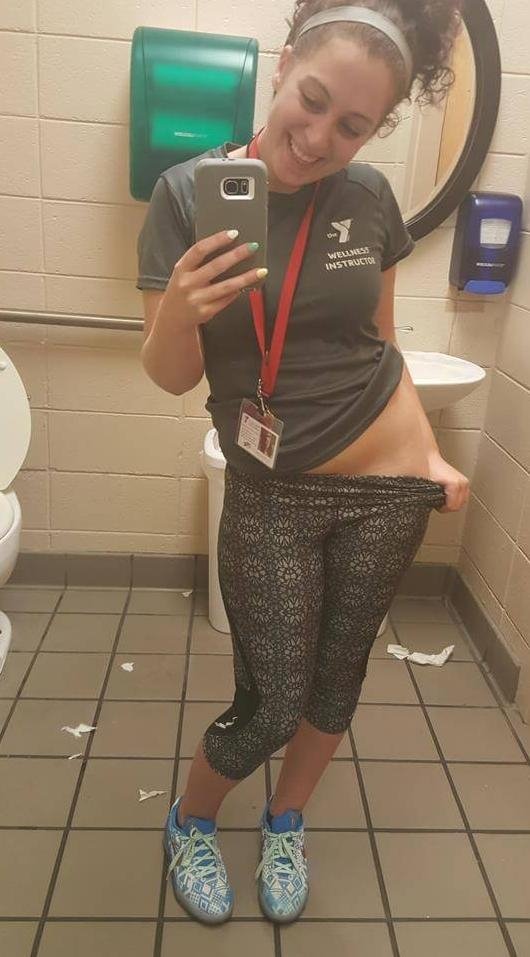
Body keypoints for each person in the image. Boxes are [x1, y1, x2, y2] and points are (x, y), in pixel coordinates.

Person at [137, 0, 468, 927]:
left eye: (352, 125)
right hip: (273, 494)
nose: (319, 139)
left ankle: (286, 819)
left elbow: (383, 346)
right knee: (273, 699)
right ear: (281, 66)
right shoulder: (184, 194)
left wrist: (430, 452)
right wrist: (182, 310)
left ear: (377, 129)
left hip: (386, 491)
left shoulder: (368, 200)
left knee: (336, 678)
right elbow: (171, 376)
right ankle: (191, 818)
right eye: (312, 101)